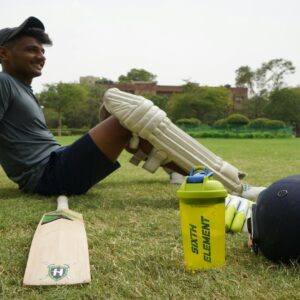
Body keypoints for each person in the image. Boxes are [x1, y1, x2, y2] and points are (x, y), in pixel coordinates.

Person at [0, 16, 264, 198]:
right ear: (4, 54)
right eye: (31, 50)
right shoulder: (3, 82)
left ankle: (182, 174)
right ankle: (232, 187)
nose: (41, 56)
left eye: (42, 51)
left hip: (56, 164)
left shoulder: (22, 88)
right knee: (130, 112)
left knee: (125, 123)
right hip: (47, 177)